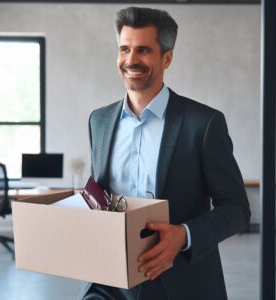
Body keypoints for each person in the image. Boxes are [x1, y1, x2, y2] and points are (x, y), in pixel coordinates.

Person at [80, 6, 250, 300]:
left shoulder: (204, 124)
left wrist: (184, 235)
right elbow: (101, 194)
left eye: (143, 50)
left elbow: (237, 209)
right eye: (124, 49)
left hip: (180, 283)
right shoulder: (99, 120)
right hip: (109, 284)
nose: (131, 60)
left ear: (167, 58)